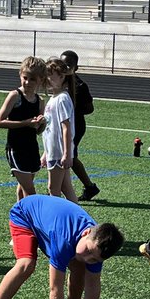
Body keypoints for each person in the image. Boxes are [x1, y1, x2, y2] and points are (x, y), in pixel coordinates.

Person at [0, 56, 46, 201]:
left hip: (31, 148)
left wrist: (41, 123)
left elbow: (37, 131)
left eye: (33, 79)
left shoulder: (39, 101)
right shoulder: (15, 96)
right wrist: (25, 123)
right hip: (16, 148)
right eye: (25, 77)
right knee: (30, 191)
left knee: (22, 190)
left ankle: (19, 222)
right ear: (20, 75)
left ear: (40, 80)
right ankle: (31, 222)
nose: (28, 82)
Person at [59, 50, 100, 201]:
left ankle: (88, 187)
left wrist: (72, 108)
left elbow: (90, 109)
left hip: (75, 125)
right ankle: (87, 187)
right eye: (62, 64)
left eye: (69, 65)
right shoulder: (59, 80)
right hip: (63, 124)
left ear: (76, 67)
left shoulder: (80, 85)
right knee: (66, 155)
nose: (65, 67)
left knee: (69, 155)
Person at [41, 56, 78, 202]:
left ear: (62, 77)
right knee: (66, 188)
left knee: (53, 188)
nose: (47, 79)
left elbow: (66, 128)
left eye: (50, 75)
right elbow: (51, 128)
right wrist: (45, 152)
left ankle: (57, 221)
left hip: (59, 152)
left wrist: (67, 154)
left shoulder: (62, 98)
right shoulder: (53, 98)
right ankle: (80, 222)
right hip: (53, 151)